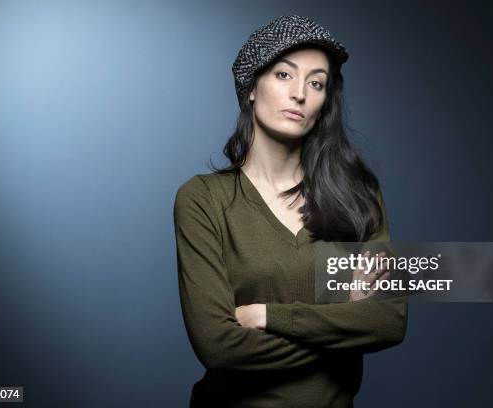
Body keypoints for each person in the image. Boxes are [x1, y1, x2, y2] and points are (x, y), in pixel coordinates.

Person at [173, 15, 408, 407]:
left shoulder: (359, 196)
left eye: (316, 83)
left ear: (324, 102)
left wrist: (268, 315)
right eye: (284, 75)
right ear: (251, 88)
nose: (300, 93)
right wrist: (343, 326)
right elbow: (219, 347)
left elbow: (389, 322)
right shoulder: (203, 200)